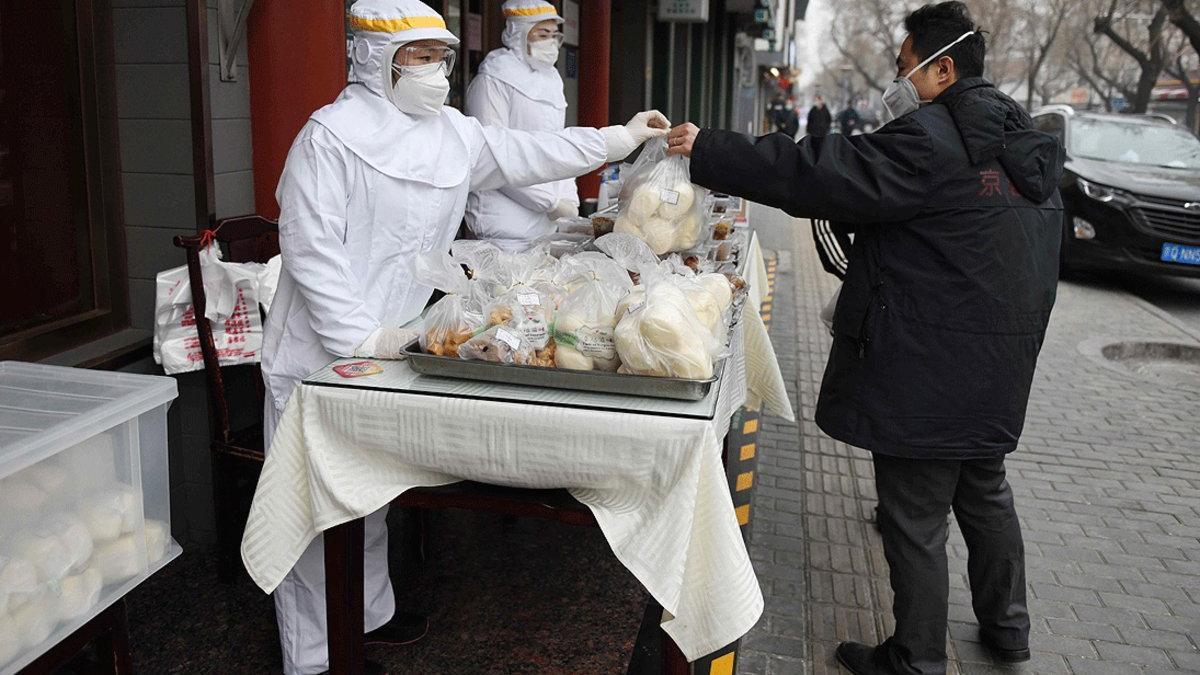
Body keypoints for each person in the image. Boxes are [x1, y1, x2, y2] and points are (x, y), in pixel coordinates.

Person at [260, 2, 667, 673]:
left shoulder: (451, 132)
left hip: (392, 343)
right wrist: (364, 334)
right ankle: (314, 656)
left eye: (441, 57)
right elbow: (309, 249)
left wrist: (616, 138)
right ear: (373, 60)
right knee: (315, 508)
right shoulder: (328, 137)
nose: (435, 72)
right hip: (320, 349)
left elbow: (528, 152)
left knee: (370, 491)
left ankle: (367, 617)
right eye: (418, 58)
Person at [665, 2, 1064, 674]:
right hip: (1000, 360)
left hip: (931, 364)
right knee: (984, 489)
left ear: (944, 68)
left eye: (906, 67)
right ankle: (1008, 628)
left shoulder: (933, 140)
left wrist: (710, 149)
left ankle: (914, 658)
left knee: (914, 516)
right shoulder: (1022, 143)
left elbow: (816, 172)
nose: (899, 81)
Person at [464, 0, 577, 251]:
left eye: (554, 36)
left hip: (546, 226)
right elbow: (492, 155)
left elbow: (559, 144)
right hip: (501, 228)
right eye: (542, 34)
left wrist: (568, 196)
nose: (550, 42)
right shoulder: (493, 79)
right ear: (520, 32)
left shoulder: (552, 80)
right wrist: (549, 201)